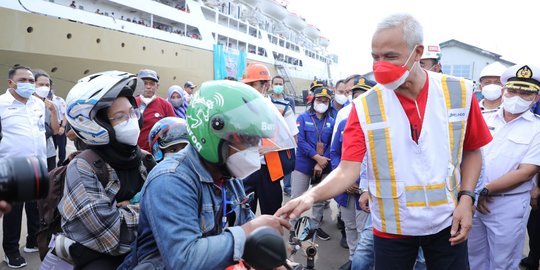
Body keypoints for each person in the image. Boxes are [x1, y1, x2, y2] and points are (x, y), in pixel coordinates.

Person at [275, 13, 492, 270]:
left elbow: (472, 151)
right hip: (392, 227)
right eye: (375, 57)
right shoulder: (365, 106)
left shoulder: (460, 93)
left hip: (447, 221)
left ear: (418, 52)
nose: (380, 65)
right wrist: (310, 197)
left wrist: (467, 199)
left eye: (390, 56)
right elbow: (347, 169)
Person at [118, 80, 291, 269]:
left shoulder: (228, 176)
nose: (255, 149)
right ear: (214, 136)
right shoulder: (170, 180)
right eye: (248, 140)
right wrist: (248, 232)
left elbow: (246, 219)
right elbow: (184, 259)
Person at [58, 70, 155, 269]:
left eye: (132, 113)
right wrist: (153, 209)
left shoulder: (144, 158)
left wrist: (129, 209)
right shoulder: (83, 166)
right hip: (100, 260)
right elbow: (111, 232)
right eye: (120, 117)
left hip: (143, 254)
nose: (131, 120)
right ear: (95, 125)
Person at [468, 64, 540, 270]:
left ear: (536, 98)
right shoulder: (483, 119)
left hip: (507, 205)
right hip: (473, 201)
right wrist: (472, 192)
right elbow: (467, 157)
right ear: (503, 91)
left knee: (503, 262)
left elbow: (526, 172)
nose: (517, 96)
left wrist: (484, 190)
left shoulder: (537, 128)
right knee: (473, 259)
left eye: (526, 93)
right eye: (513, 90)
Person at [0, 66, 45, 268]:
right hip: (12, 167)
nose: (29, 84)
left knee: (36, 206)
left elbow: (40, 130)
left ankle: (33, 241)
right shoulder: (1, 104)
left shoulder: (38, 104)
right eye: (24, 80)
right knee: (14, 212)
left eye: (30, 80)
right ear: (11, 82)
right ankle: (10, 251)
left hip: (38, 164)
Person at [241, 64, 297, 215]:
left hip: (269, 170)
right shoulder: (238, 108)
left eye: (254, 84)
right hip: (245, 169)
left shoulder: (282, 109)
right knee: (243, 214)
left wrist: (271, 147)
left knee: (272, 214)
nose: (250, 88)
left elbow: (293, 139)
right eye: (247, 85)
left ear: (266, 85)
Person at [291, 86, 335, 242]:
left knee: (319, 199)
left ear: (330, 102)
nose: (322, 103)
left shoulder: (331, 121)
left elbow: (332, 144)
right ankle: (292, 228)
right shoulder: (303, 118)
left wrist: (322, 162)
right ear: (313, 100)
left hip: (322, 167)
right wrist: (317, 157)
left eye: (325, 100)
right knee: (297, 197)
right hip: (303, 165)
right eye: (319, 99)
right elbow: (300, 141)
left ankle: (315, 227)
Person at [135, 69, 175, 152]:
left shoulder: (165, 105)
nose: (148, 86)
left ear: (157, 86)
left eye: (152, 84)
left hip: (157, 154)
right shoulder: (131, 103)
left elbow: (173, 129)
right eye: (145, 83)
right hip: (135, 153)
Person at [270, 75, 297, 197]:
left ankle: (287, 187)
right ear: (271, 85)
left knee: (286, 164)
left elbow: (292, 120)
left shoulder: (289, 102)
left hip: (284, 138)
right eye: (276, 84)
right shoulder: (267, 101)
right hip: (270, 139)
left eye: (280, 84)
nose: (278, 86)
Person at [33, 70, 60, 171]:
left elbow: (56, 131)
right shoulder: (25, 104)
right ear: (33, 85)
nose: (44, 87)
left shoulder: (51, 105)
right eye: (41, 84)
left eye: (47, 85)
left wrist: (53, 112)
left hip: (48, 152)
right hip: (29, 153)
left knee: (48, 183)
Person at [50, 88, 68, 166]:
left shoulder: (59, 100)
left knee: (61, 148)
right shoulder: (41, 100)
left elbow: (65, 114)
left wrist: (63, 127)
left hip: (60, 126)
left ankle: (60, 164)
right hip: (48, 128)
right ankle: (51, 165)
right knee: (51, 148)